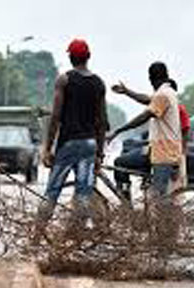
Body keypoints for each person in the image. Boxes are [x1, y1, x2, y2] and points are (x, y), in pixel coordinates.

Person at [38, 39, 108, 225]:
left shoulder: (64, 80)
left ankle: (36, 238)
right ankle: (77, 235)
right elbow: (102, 122)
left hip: (69, 144)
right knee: (83, 194)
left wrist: (47, 148)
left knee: (52, 192)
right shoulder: (99, 83)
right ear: (88, 57)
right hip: (89, 145)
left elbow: (56, 117)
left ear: (70, 58)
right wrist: (100, 153)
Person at [110, 70, 184, 198]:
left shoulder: (163, 95)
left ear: (151, 79)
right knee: (126, 153)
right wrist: (127, 92)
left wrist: (118, 131)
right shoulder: (168, 92)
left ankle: (127, 207)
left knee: (159, 196)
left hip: (163, 153)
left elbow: (144, 116)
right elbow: (145, 99)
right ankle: (130, 202)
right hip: (157, 150)